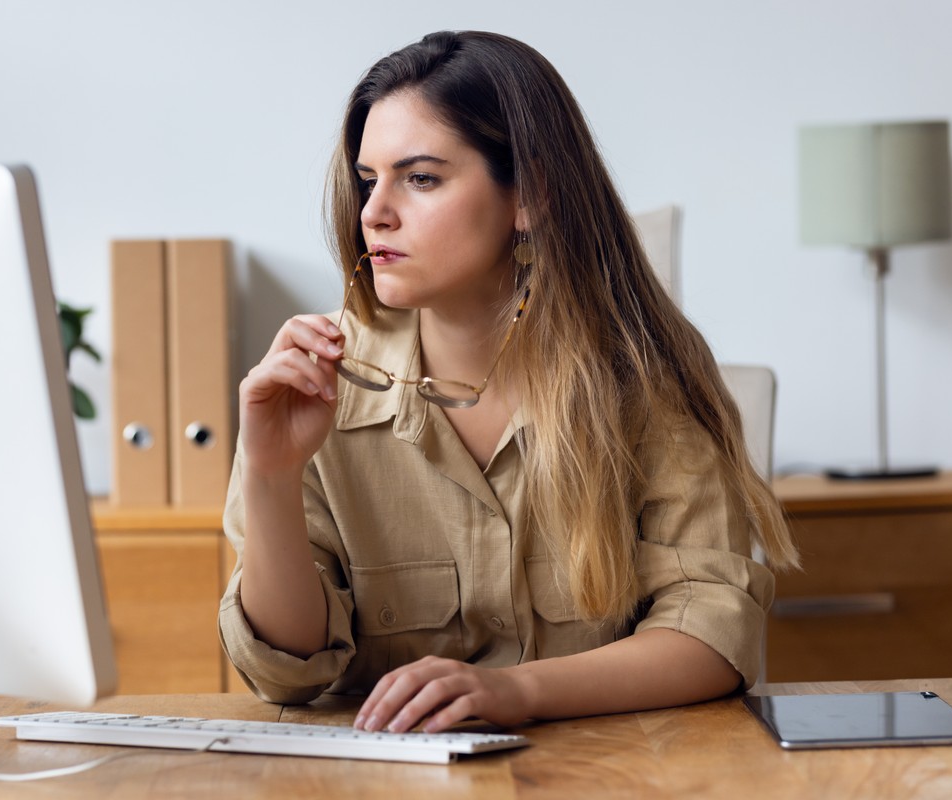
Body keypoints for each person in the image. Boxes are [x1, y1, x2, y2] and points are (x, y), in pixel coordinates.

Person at [218, 30, 798, 735]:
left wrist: (513, 693)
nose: (374, 212)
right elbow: (286, 671)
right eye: (369, 180)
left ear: (530, 196)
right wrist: (271, 478)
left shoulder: (647, 379)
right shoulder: (317, 388)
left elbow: (712, 630)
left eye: (421, 178)